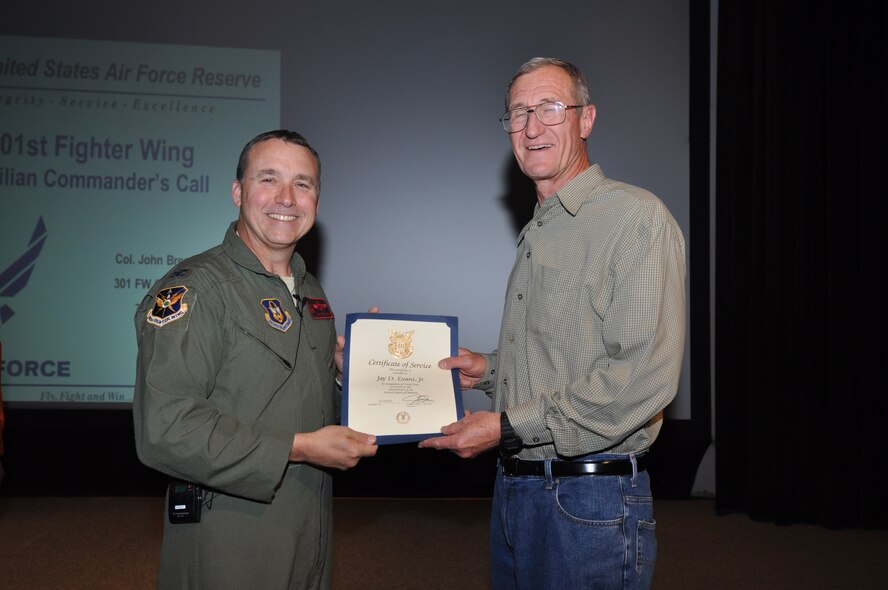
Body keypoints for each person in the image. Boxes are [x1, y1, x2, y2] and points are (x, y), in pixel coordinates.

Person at [419, 57, 686, 589]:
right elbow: (564, 356)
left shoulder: (635, 219)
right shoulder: (541, 227)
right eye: (518, 113)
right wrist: (489, 370)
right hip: (516, 491)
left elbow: (639, 378)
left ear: (586, 120)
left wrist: (508, 427)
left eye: (550, 108)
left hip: (588, 502)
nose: (532, 126)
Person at [133, 129, 378, 590]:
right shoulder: (196, 290)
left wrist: (348, 376)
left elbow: (287, 393)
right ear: (238, 192)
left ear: (317, 201)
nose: (286, 198)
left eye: (303, 184)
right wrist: (299, 447)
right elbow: (165, 429)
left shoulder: (309, 290)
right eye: (269, 179)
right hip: (230, 529)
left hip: (309, 524)